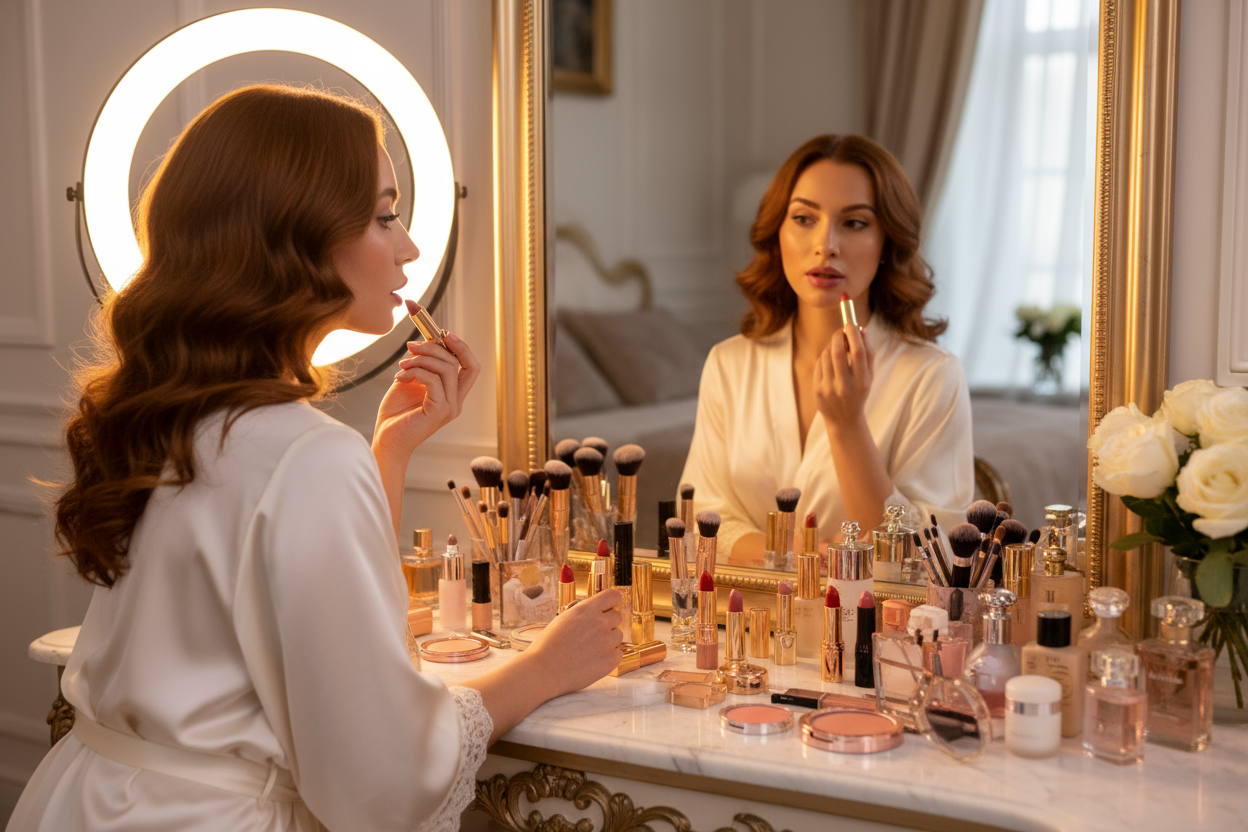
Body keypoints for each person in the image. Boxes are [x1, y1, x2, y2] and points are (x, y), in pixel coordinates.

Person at [7, 85, 623, 832]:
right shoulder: (301, 453)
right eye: (384, 215)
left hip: (83, 798)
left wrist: (388, 454)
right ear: (292, 236)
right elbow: (378, 775)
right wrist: (544, 668)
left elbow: (276, 612)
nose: (409, 247)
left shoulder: (174, 413)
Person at [679, 135, 974, 567]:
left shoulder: (932, 377)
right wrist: (788, 554)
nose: (826, 244)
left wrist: (847, 424)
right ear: (777, 233)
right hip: (744, 619)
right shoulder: (729, 364)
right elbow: (699, 522)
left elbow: (930, 560)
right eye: (803, 218)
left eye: (854, 223)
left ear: (887, 243)